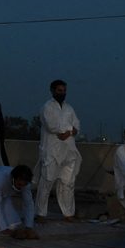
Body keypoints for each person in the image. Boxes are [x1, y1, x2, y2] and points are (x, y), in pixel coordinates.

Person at [36, 79, 81, 221]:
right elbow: (52, 127)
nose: (62, 93)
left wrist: (71, 131)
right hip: (52, 150)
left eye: (64, 90)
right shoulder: (47, 107)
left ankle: (68, 213)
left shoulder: (69, 108)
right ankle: (40, 213)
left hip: (69, 150)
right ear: (53, 91)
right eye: (59, 90)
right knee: (47, 181)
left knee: (68, 183)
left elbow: (76, 124)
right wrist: (68, 131)